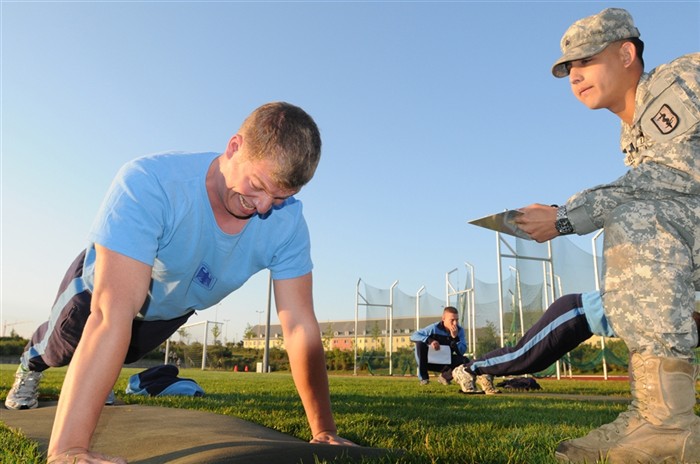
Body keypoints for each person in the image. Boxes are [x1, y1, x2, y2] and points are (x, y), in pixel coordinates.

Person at [4, 102, 356, 463]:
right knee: (57, 349)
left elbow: (299, 327)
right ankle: (29, 366)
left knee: (124, 354)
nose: (264, 207)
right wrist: (69, 451)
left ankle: (98, 381)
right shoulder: (151, 181)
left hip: (169, 309)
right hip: (100, 290)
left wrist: (323, 430)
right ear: (234, 147)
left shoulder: (288, 224)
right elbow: (112, 314)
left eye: (280, 197)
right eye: (257, 186)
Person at [513, 8, 699, 463]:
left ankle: (671, 424)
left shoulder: (676, 82)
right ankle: (651, 412)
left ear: (625, 53)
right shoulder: (631, 131)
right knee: (636, 217)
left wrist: (564, 215)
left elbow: (674, 179)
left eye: (584, 61)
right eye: (567, 70)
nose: (574, 76)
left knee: (638, 220)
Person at [410, 306, 467, 385]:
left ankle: (444, 377)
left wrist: (455, 338)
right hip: (428, 362)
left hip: (445, 362)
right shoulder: (434, 328)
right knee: (420, 344)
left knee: (465, 361)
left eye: (457, 320)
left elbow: (462, 351)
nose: (455, 323)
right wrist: (430, 340)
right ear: (443, 319)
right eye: (452, 320)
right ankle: (424, 379)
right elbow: (414, 336)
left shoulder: (460, 331)